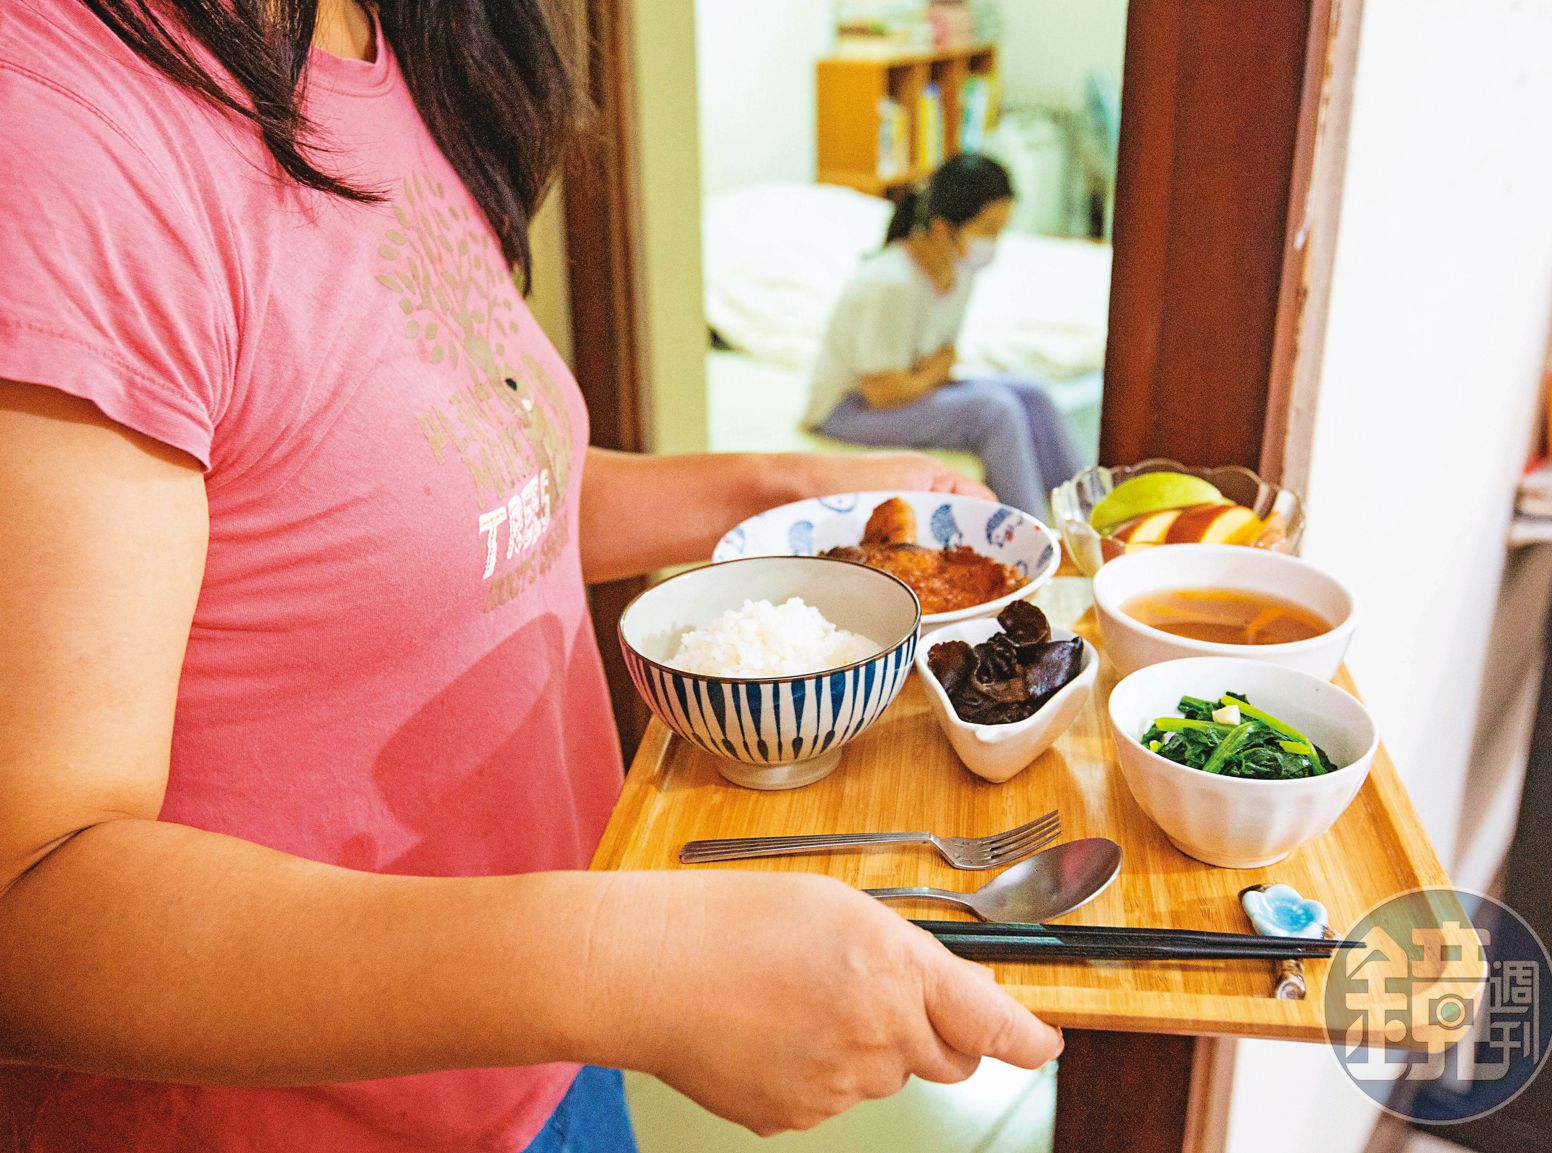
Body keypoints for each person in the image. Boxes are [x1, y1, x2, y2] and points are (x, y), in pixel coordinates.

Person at [0, 3, 1065, 1152]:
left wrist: (781, 489)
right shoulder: (58, 129)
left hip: (545, 1050)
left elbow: (471, 504)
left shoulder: (387, 44)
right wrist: (629, 963)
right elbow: (29, 900)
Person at [806, 154, 1084, 522]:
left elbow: (942, 357)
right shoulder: (890, 284)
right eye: (987, 230)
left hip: (906, 391)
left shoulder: (960, 272)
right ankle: (1033, 532)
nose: (994, 243)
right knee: (995, 411)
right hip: (847, 409)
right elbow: (882, 391)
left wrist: (929, 372)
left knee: (1033, 394)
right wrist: (934, 371)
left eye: (1000, 230)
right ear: (941, 229)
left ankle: (1088, 519)